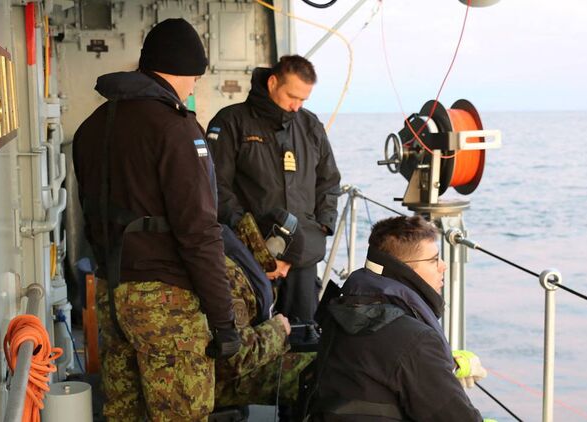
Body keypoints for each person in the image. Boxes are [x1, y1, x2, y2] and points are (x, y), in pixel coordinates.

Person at [73, 18, 239, 421]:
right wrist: (224, 322)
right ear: (184, 70)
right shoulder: (177, 128)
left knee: (122, 412)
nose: (193, 88)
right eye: (195, 78)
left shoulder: (92, 126)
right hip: (166, 303)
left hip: (112, 294)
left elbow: (89, 216)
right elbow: (199, 232)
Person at [302, 216, 487, 421]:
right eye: (434, 260)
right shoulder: (416, 340)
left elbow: (378, 361)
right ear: (405, 268)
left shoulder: (345, 307)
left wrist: (443, 363)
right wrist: (431, 358)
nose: (443, 266)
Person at [207, 55, 341, 323]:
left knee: (303, 334)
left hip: (302, 258)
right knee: (252, 333)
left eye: (303, 100)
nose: (296, 106)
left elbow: (328, 182)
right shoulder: (231, 121)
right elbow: (216, 187)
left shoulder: (311, 125)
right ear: (272, 83)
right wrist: (256, 246)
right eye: (292, 96)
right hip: (248, 257)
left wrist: (319, 230)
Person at [214, 216, 315, 412]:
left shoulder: (235, 258)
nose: (285, 273)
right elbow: (236, 358)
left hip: (219, 369)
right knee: (313, 372)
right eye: (286, 263)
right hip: (215, 379)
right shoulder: (231, 276)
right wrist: (277, 330)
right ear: (272, 247)